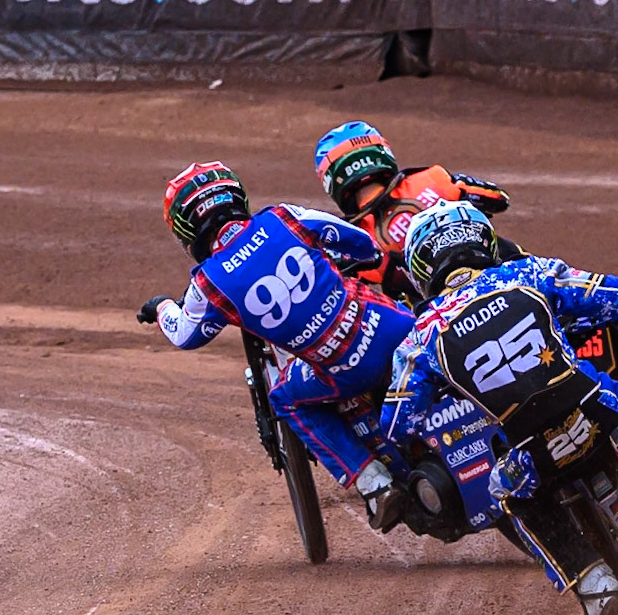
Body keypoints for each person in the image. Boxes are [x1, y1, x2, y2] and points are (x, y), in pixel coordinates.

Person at [379, 201, 618, 615]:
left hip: (537, 454)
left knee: (503, 489)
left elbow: (397, 421)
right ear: (484, 242)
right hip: (602, 410)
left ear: (421, 271)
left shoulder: (421, 336)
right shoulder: (528, 273)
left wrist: (442, 388)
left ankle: (593, 585)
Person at [136, 161, 412, 529]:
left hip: (346, 370)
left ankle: (375, 484)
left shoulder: (209, 283)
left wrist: (161, 307)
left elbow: (186, 335)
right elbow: (360, 243)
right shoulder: (283, 217)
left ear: (187, 229)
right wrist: (362, 260)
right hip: (397, 330)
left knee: (284, 398)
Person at [312, 121, 516, 302]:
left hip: (442, 319)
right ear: (380, 152)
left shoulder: (350, 239)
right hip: (503, 282)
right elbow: (498, 199)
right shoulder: (432, 179)